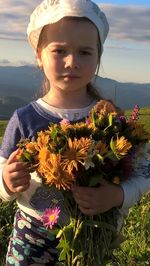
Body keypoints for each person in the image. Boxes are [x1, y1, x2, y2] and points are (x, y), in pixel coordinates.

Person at [0, 0, 150, 265]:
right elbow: (2, 171)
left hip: (92, 240)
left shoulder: (110, 120)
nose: (72, 62)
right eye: (59, 51)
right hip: (32, 239)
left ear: (98, 57)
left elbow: (143, 173)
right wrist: (6, 182)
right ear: (39, 55)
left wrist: (117, 196)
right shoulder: (25, 119)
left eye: (84, 52)